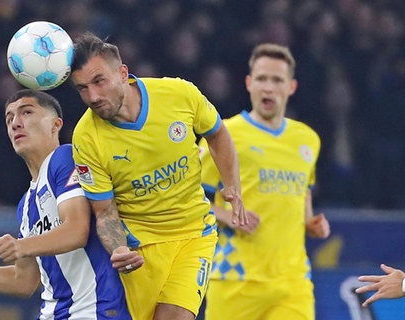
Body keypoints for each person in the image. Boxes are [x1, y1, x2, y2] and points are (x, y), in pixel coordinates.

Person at [69, 32, 247, 320]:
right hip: (140, 250)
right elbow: (104, 212)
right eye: (82, 88)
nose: (93, 97)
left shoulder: (178, 94)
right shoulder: (86, 138)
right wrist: (118, 249)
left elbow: (217, 133)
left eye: (99, 81)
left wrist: (232, 185)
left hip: (195, 234)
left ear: (122, 73)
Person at [0, 89, 131, 319]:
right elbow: (23, 281)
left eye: (26, 113)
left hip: (94, 311)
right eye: (9, 119)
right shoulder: (26, 204)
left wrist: (22, 246)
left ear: (55, 124)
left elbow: (77, 230)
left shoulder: (65, 159)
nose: (16, 123)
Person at [199, 43, 331, 320]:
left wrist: (310, 222)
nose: (268, 88)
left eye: (277, 80)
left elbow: (303, 190)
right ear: (249, 83)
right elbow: (187, 199)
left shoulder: (307, 139)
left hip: (293, 282)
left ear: (291, 86)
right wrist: (227, 214)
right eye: (261, 79)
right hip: (236, 280)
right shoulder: (224, 135)